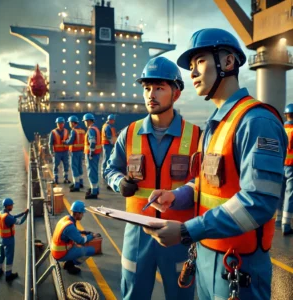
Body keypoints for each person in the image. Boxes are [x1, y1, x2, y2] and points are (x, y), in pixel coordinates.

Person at [143, 28, 287, 300]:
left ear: (228, 62)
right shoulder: (215, 125)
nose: (193, 72)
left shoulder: (256, 121)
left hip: (238, 267)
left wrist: (187, 230)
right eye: (191, 66)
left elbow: (258, 201)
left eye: (199, 61)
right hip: (207, 258)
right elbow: (206, 184)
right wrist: (176, 196)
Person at [105, 57, 200, 300]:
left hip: (178, 233)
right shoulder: (129, 133)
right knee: (133, 294)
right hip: (138, 234)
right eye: (147, 88)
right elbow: (110, 170)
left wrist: (177, 197)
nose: (151, 94)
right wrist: (119, 182)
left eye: (159, 87)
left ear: (176, 94)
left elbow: (202, 182)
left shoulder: (196, 135)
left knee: (181, 296)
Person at [51, 200, 100, 274]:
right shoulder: (70, 226)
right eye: (82, 213)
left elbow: (72, 231)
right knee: (91, 250)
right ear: (77, 213)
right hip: (60, 254)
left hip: (57, 249)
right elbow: (81, 240)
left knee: (78, 245)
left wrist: (83, 232)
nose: (82, 215)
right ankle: (69, 264)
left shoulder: (66, 219)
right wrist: (92, 236)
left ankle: (69, 260)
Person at [0, 198, 29, 281]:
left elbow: (12, 217)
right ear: (8, 206)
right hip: (8, 239)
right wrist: (26, 215)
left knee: (1, 255)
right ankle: (8, 275)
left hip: (1, 238)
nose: (12, 206)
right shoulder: (7, 217)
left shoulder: (0, 214)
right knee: (9, 256)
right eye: (12, 205)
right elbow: (19, 222)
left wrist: (22, 213)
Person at [82, 113, 102, 199]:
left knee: (91, 172)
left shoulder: (90, 130)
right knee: (94, 171)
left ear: (89, 121)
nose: (84, 123)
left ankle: (94, 192)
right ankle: (95, 188)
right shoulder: (96, 129)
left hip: (92, 154)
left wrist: (91, 153)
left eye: (85, 121)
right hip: (97, 154)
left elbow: (92, 142)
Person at [64, 116, 85, 192]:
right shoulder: (82, 131)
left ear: (73, 123)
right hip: (80, 151)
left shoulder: (74, 131)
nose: (69, 124)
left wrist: (65, 142)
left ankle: (76, 185)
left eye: (70, 122)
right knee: (80, 167)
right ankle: (80, 182)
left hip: (74, 152)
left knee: (74, 168)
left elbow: (70, 141)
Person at [281, 103, 293, 235]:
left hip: (281, 165)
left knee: (280, 193)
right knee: (290, 194)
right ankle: (286, 224)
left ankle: (278, 219)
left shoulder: (281, 129)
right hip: (291, 166)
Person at [48, 117, 70, 184]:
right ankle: (56, 179)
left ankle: (66, 178)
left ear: (63, 124)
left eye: (61, 123)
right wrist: (51, 152)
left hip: (65, 152)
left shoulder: (66, 131)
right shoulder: (53, 132)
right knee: (56, 166)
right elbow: (50, 143)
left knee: (66, 165)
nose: (60, 124)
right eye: (59, 123)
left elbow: (69, 140)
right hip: (57, 152)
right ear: (56, 124)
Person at [101, 114, 117, 183]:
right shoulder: (107, 127)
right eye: (113, 120)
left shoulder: (108, 126)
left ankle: (105, 173)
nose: (114, 121)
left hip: (108, 145)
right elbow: (108, 136)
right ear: (111, 120)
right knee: (106, 159)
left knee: (107, 159)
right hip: (107, 145)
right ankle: (104, 173)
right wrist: (113, 143)